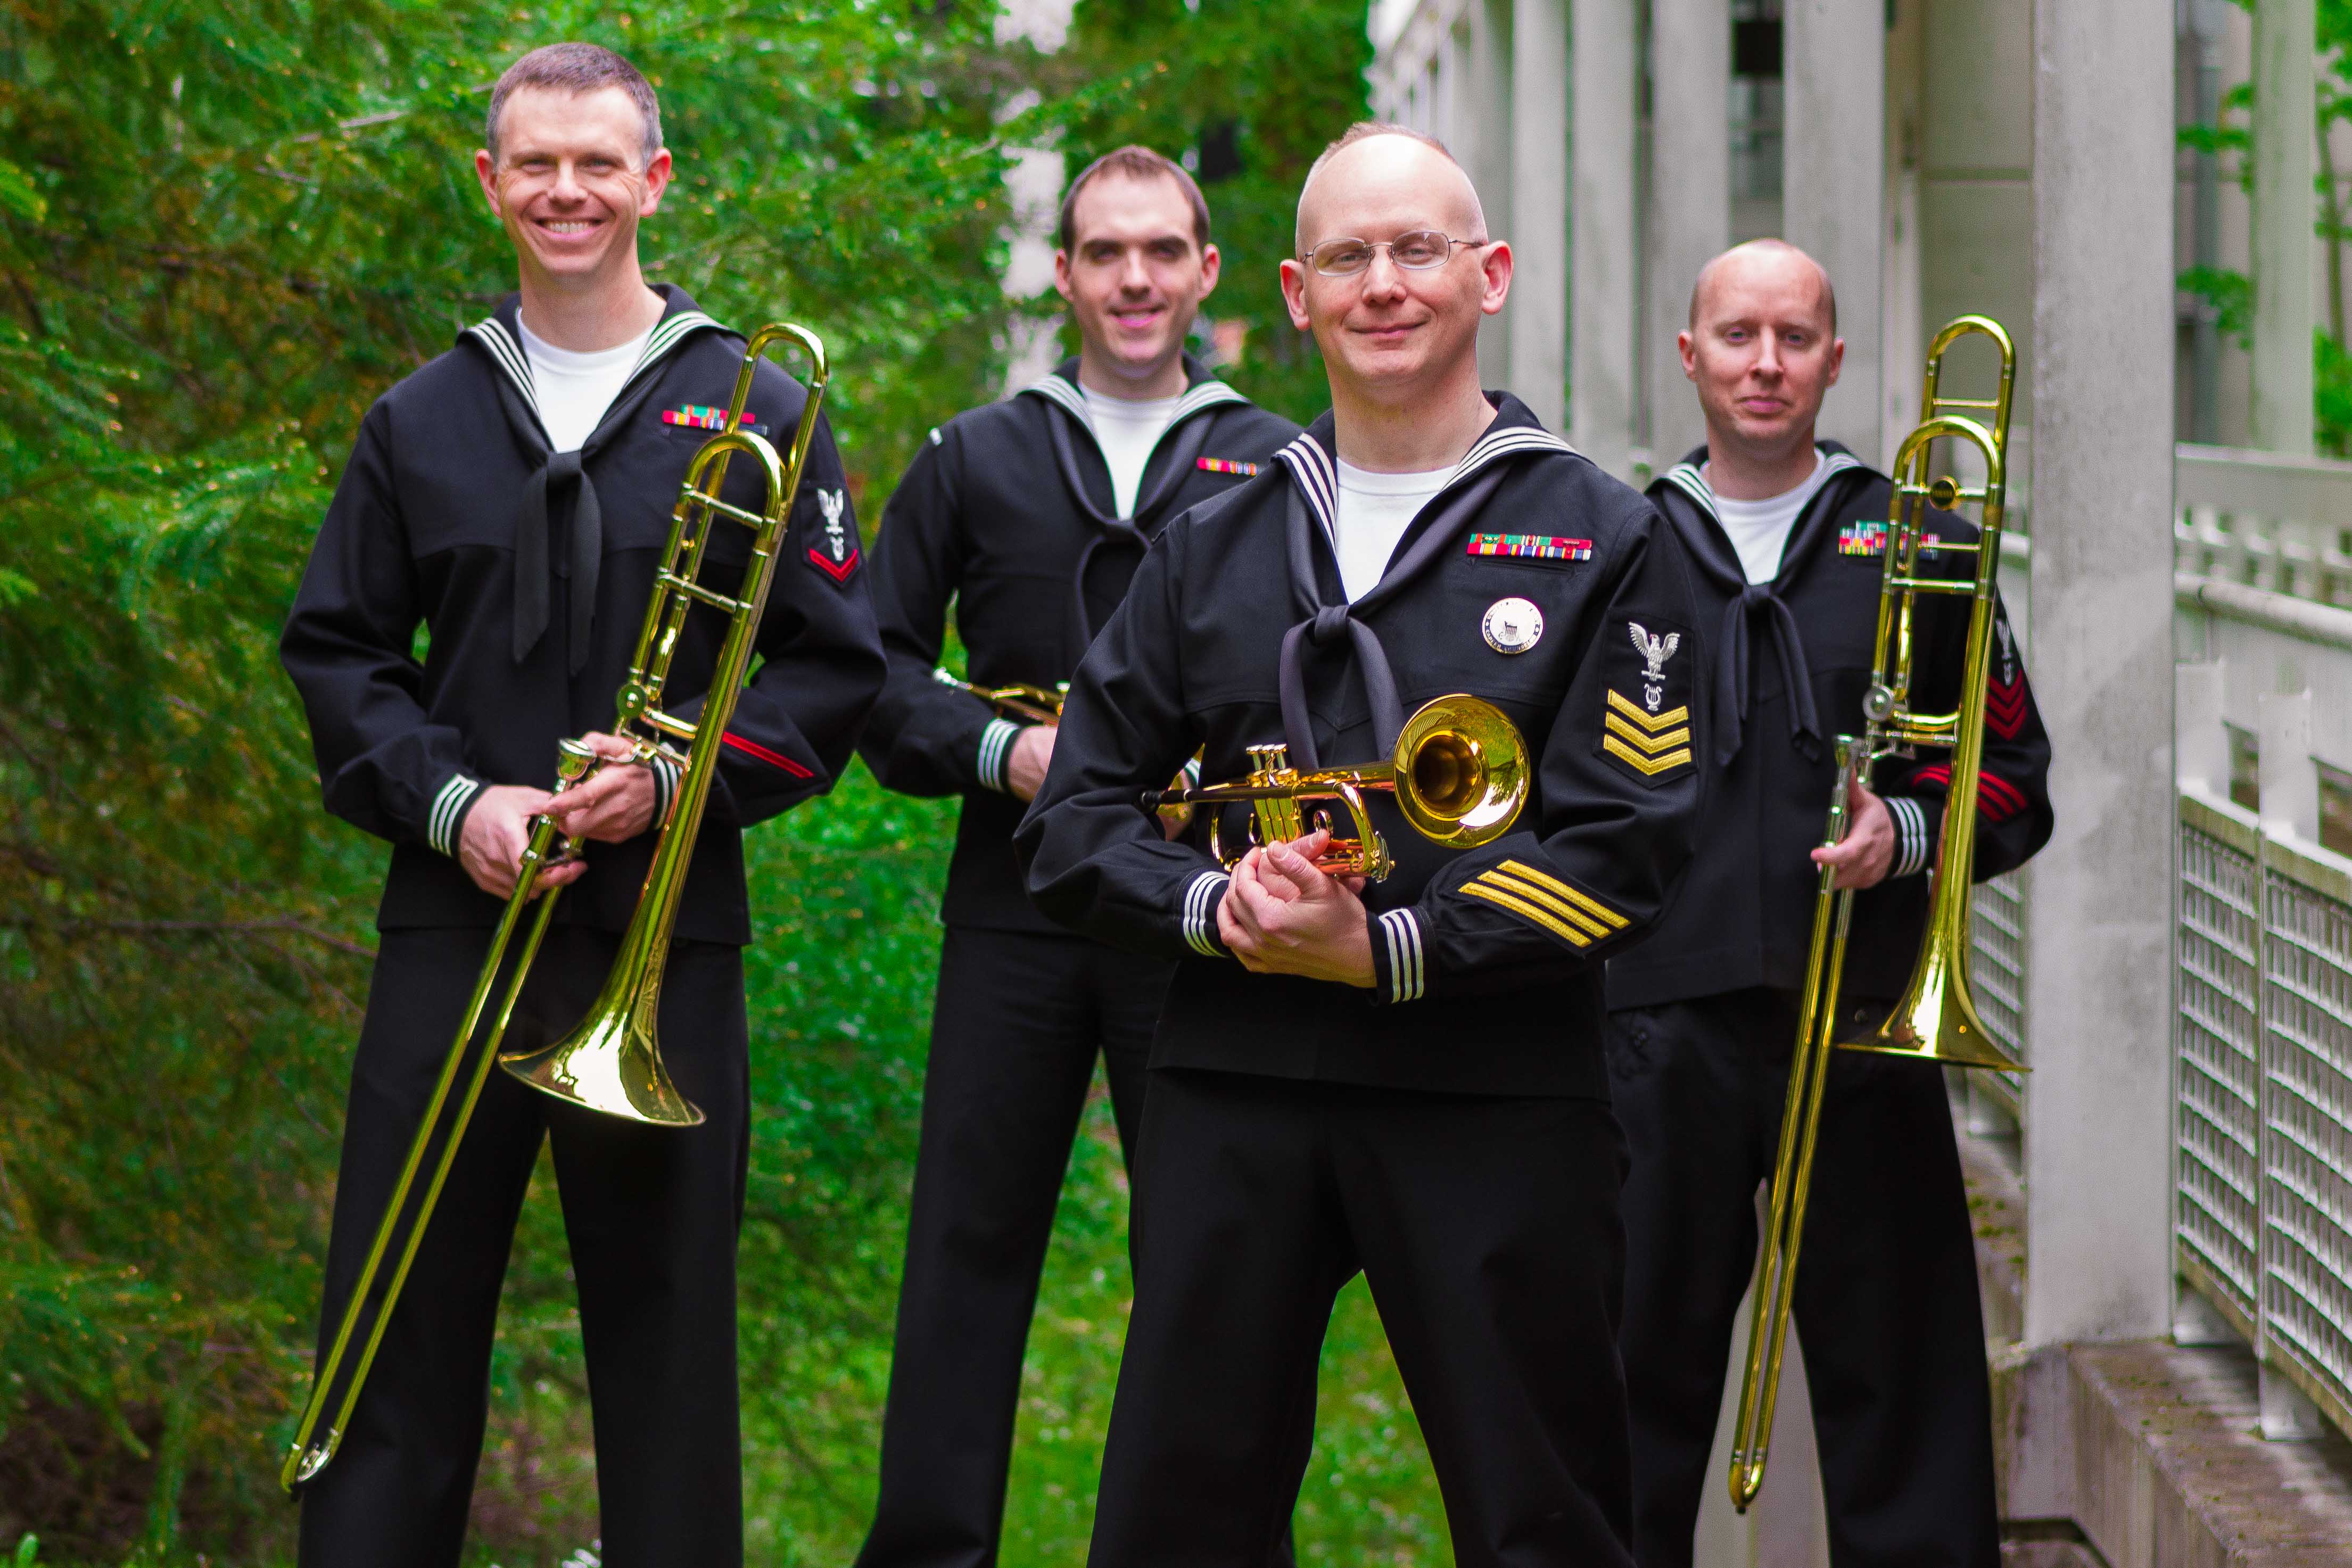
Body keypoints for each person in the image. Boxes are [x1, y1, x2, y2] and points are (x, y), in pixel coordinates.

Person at [1016, 122, 1707, 1568]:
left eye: (1415, 249)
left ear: (1488, 274)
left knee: (1545, 1512)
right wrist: (1215, 904)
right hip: (1234, 1073)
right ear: (1290, 291)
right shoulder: (1213, 540)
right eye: (1347, 256)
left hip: (1494, 1086)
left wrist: (1395, 946)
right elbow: (1075, 818)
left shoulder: (1603, 534)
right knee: (1174, 1511)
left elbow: (1631, 841)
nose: (1381, 284)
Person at [277, 43, 882, 1568]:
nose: (567, 191)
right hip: (449, 924)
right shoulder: (418, 418)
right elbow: (340, 656)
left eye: (598, 162)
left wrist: (676, 781)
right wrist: (455, 803)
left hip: (664, 948)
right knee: (396, 1323)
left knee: (668, 1347)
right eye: (535, 163)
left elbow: (832, 676)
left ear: (654, 181)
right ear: (491, 184)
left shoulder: (763, 404)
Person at [852, 144, 1298, 1568]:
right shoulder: (974, 453)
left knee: (1211, 1255)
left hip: (1199, 909)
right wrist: (1006, 754)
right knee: (967, 1249)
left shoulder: (1285, 463)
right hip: (1019, 902)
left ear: (1207, 272)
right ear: (1062, 275)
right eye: (1104, 253)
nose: (1134, 280)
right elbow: (866, 670)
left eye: (1162, 251)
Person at [1605, 239, 2053, 1568]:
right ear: (1687, 356)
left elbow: (2016, 782)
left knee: (1901, 1396)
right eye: (1734, 336)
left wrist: (1905, 833)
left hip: (1860, 1023)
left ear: (1835, 360)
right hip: (1652, 1034)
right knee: (1626, 1392)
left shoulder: (1924, 537)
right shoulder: (1617, 545)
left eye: (1793, 338)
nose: (1763, 364)